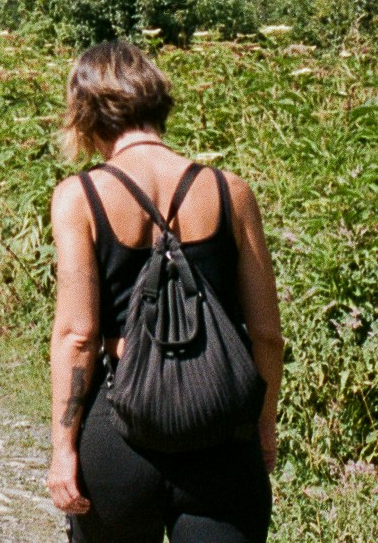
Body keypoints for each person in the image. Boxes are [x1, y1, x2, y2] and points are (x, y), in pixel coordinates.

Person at [45, 40, 284, 542]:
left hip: (120, 431)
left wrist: (64, 447)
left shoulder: (80, 198)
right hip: (220, 435)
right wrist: (263, 426)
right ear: (156, 100)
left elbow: (78, 336)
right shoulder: (230, 191)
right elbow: (266, 333)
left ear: (85, 112)